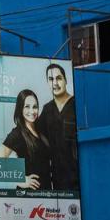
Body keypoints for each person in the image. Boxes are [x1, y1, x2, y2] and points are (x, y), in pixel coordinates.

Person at [0, 89, 52, 190]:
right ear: (20, 109)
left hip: (45, 193)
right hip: (28, 195)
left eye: (35, 107)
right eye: (27, 107)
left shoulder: (40, 130)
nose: (32, 111)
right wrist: (20, 179)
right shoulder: (17, 134)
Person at [36, 63, 79, 191]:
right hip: (57, 178)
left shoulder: (76, 104)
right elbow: (36, 134)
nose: (55, 83)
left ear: (66, 80)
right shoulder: (47, 109)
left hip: (78, 175)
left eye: (59, 78)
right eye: (51, 79)